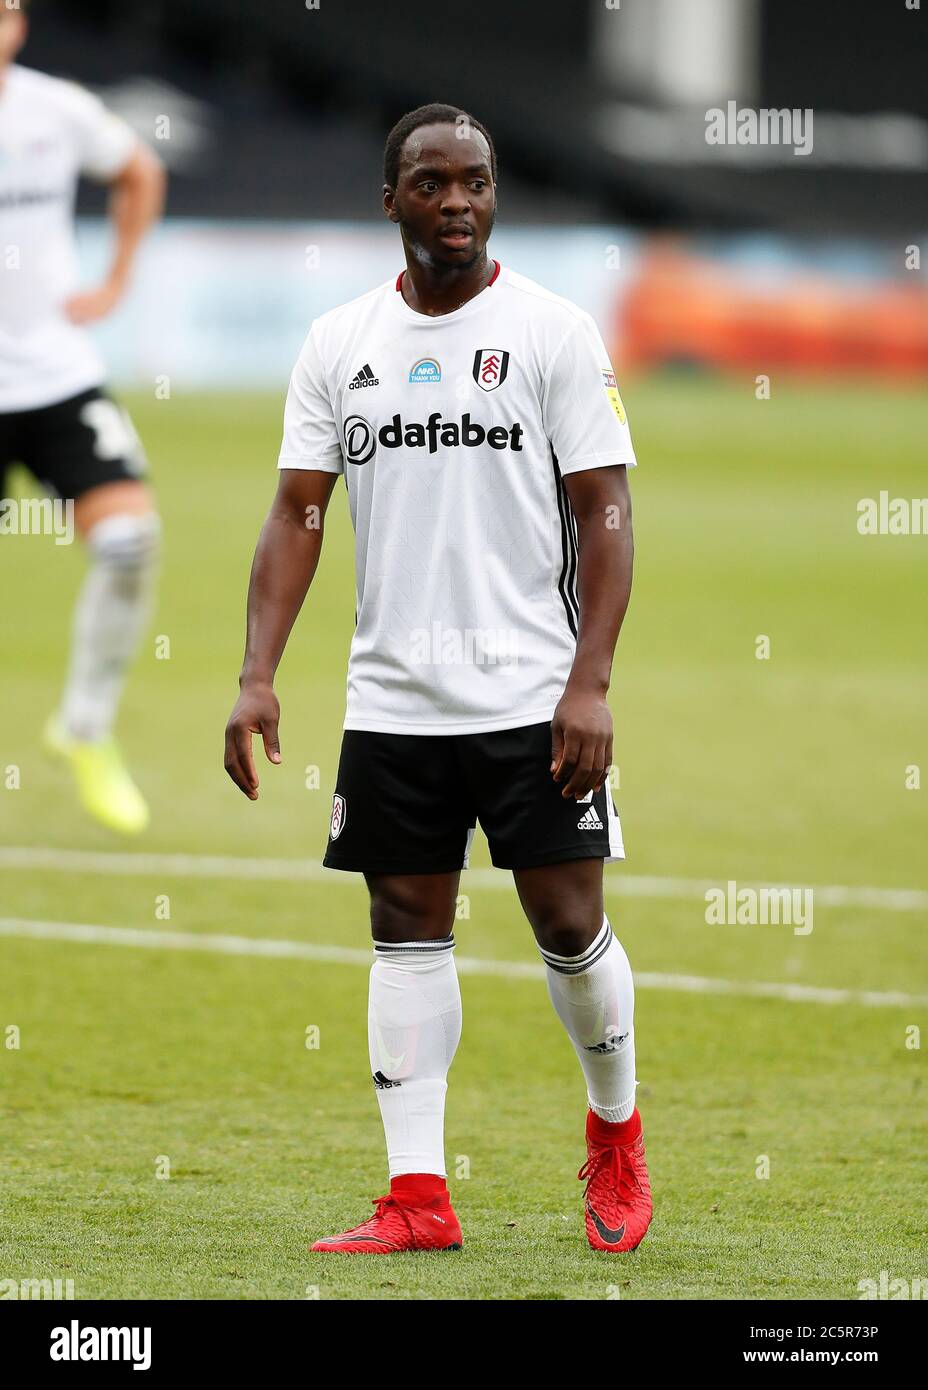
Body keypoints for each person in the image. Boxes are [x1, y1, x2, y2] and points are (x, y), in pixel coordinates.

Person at [224, 103, 651, 1254]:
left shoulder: (555, 332)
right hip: (394, 700)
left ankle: (614, 1130)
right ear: (392, 200)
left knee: (567, 921)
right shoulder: (338, 343)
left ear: (493, 195)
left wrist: (590, 683)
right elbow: (295, 512)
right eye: (431, 183)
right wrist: (256, 675)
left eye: (476, 182)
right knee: (403, 924)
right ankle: (418, 1197)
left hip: (531, 696)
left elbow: (605, 510)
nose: (456, 203)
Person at [0, 0, 166, 833]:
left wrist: (116, 278)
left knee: (132, 543)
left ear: (19, 24)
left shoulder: (54, 108)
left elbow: (139, 170)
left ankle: (84, 729)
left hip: (58, 378)